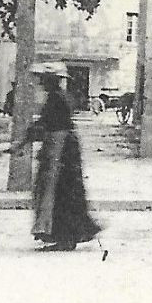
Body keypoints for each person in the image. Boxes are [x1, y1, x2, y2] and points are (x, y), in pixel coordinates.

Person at [11, 63, 101, 252]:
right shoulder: (58, 97)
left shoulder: (56, 99)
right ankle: (65, 236)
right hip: (62, 150)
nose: (41, 83)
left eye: (44, 79)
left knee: (59, 193)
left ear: (52, 81)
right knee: (63, 192)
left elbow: (46, 125)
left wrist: (22, 142)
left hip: (60, 152)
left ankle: (65, 237)